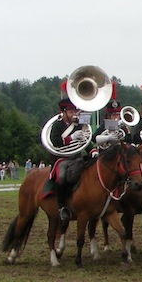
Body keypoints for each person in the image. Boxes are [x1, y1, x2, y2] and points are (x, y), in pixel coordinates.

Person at [44, 94, 90, 222]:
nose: (73, 113)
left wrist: (92, 150)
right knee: (62, 175)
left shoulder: (78, 124)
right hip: (61, 158)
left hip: (76, 156)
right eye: (70, 111)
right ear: (63, 112)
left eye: (74, 111)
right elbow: (56, 141)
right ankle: (61, 206)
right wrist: (72, 137)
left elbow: (85, 140)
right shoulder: (57, 125)